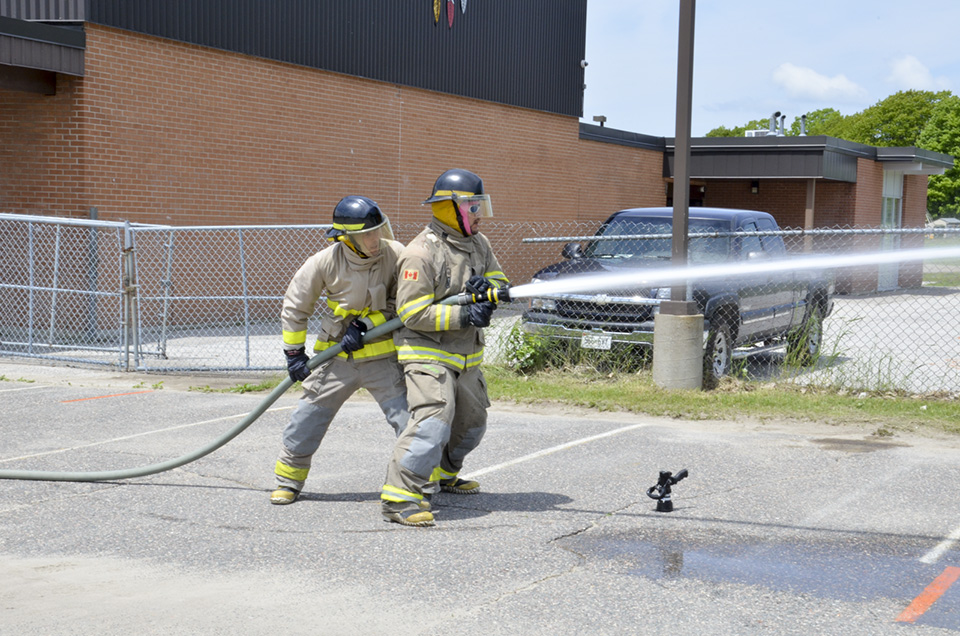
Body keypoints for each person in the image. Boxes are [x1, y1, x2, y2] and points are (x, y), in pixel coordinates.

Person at [380, 168, 509, 526]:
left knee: (472, 423)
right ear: (449, 208)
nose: (479, 214)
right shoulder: (420, 253)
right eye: (473, 207)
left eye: (480, 206)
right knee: (433, 421)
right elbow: (411, 312)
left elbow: (499, 280)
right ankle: (400, 497)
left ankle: (442, 474)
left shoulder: (479, 243)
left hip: (466, 355)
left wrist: (488, 290)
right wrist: (465, 315)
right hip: (427, 353)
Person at [271, 195, 408, 505]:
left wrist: (367, 324)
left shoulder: (395, 254)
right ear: (346, 237)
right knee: (307, 419)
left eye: (377, 230)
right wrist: (294, 354)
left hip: (382, 357)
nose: (375, 239)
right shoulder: (324, 261)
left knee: (409, 420)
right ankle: (288, 481)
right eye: (366, 234)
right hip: (337, 357)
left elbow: (404, 301)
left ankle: (422, 480)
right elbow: (295, 307)